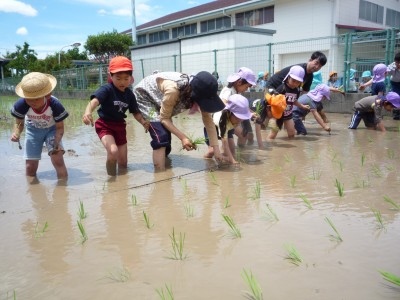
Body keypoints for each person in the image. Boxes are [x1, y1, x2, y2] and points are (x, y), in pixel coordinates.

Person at [133, 71, 225, 171]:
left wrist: (216, 150)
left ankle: (165, 164)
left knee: (166, 142)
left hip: (161, 99)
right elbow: (164, 118)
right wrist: (183, 138)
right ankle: (160, 174)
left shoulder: (199, 91)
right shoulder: (173, 89)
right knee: (161, 136)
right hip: (145, 97)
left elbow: (208, 121)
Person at [82, 56, 150, 176]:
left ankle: (122, 185)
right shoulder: (107, 89)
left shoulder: (130, 94)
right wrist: (88, 111)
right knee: (113, 151)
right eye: (118, 78)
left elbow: (135, 112)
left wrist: (143, 122)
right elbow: (95, 101)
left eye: (126, 78)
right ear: (111, 76)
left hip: (120, 127)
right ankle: (111, 181)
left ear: (131, 78)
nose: (122, 82)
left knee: (123, 163)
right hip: (105, 125)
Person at [10, 72, 69, 179]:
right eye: (29, 99)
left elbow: (60, 128)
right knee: (30, 166)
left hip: (52, 130)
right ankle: (32, 191)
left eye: (36, 98)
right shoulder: (22, 104)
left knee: (57, 158)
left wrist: (56, 142)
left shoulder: (55, 105)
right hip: (33, 130)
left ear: (48, 95)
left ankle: (63, 189)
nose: (32, 102)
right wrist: (16, 133)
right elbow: (19, 123)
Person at [256, 65, 310, 141]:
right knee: (272, 135)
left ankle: (289, 151)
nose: (295, 84)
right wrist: (270, 113)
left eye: (298, 82)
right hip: (278, 115)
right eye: (293, 81)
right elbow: (274, 101)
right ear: (288, 78)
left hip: (288, 115)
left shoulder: (297, 90)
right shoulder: (282, 88)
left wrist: (302, 106)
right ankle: (269, 146)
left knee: (292, 133)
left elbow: (294, 100)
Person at [204, 94, 254, 165]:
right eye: (237, 118)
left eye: (242, 117)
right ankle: (206, 159)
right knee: (212, 151)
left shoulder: (236, 119)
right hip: (212, 128)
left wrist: (252, 114)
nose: (240, 121)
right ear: (230, 113)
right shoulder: (222, 121)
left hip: (229, 127)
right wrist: (233, 161)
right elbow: (225, 144)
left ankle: (225, 162)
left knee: (232, 150)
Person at [218, 67, 257, 151]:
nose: (246, 90)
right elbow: (222, 103)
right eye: (247, 87)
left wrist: (251, 113)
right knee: (227, 142)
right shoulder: (228, 91)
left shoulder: (236, 91)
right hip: (224, 120)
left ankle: (241, 152)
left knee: (243, 135)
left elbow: (242, 106)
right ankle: (227, 155)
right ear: (239, 82)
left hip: (232, 119)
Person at [387, 52, 400, 120]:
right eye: (397, 62)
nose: (399, 64)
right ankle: (396, 113)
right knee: (396, 97)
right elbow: (385, 72)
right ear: (395, 62)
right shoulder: (392, 66)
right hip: (395, 82)